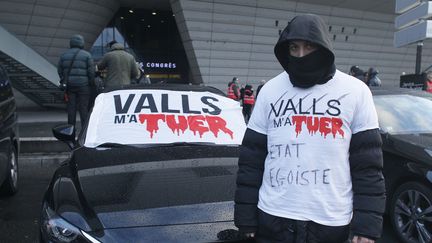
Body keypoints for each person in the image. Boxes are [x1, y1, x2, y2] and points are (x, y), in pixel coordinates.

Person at [234, 14, 385, 243]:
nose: (301, 55)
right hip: (273, 217)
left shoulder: (356, 91)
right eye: (294, 47)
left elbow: (367, 166)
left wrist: (366, 227)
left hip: (330, 222)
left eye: (309, 46)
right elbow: (252, 159)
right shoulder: (270, 90)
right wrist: (245, 217)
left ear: (323, 46)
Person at [58, 34, 95, 136]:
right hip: (84, 86)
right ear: (81, 43)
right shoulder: (87, 55)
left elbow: (60, 70)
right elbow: (91, 72)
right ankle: (84, 133)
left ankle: (71, 133)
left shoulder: (64, 55)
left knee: (71, 109)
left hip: (70, 86)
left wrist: (64, 80)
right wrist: (91, 83)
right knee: (84, 109)